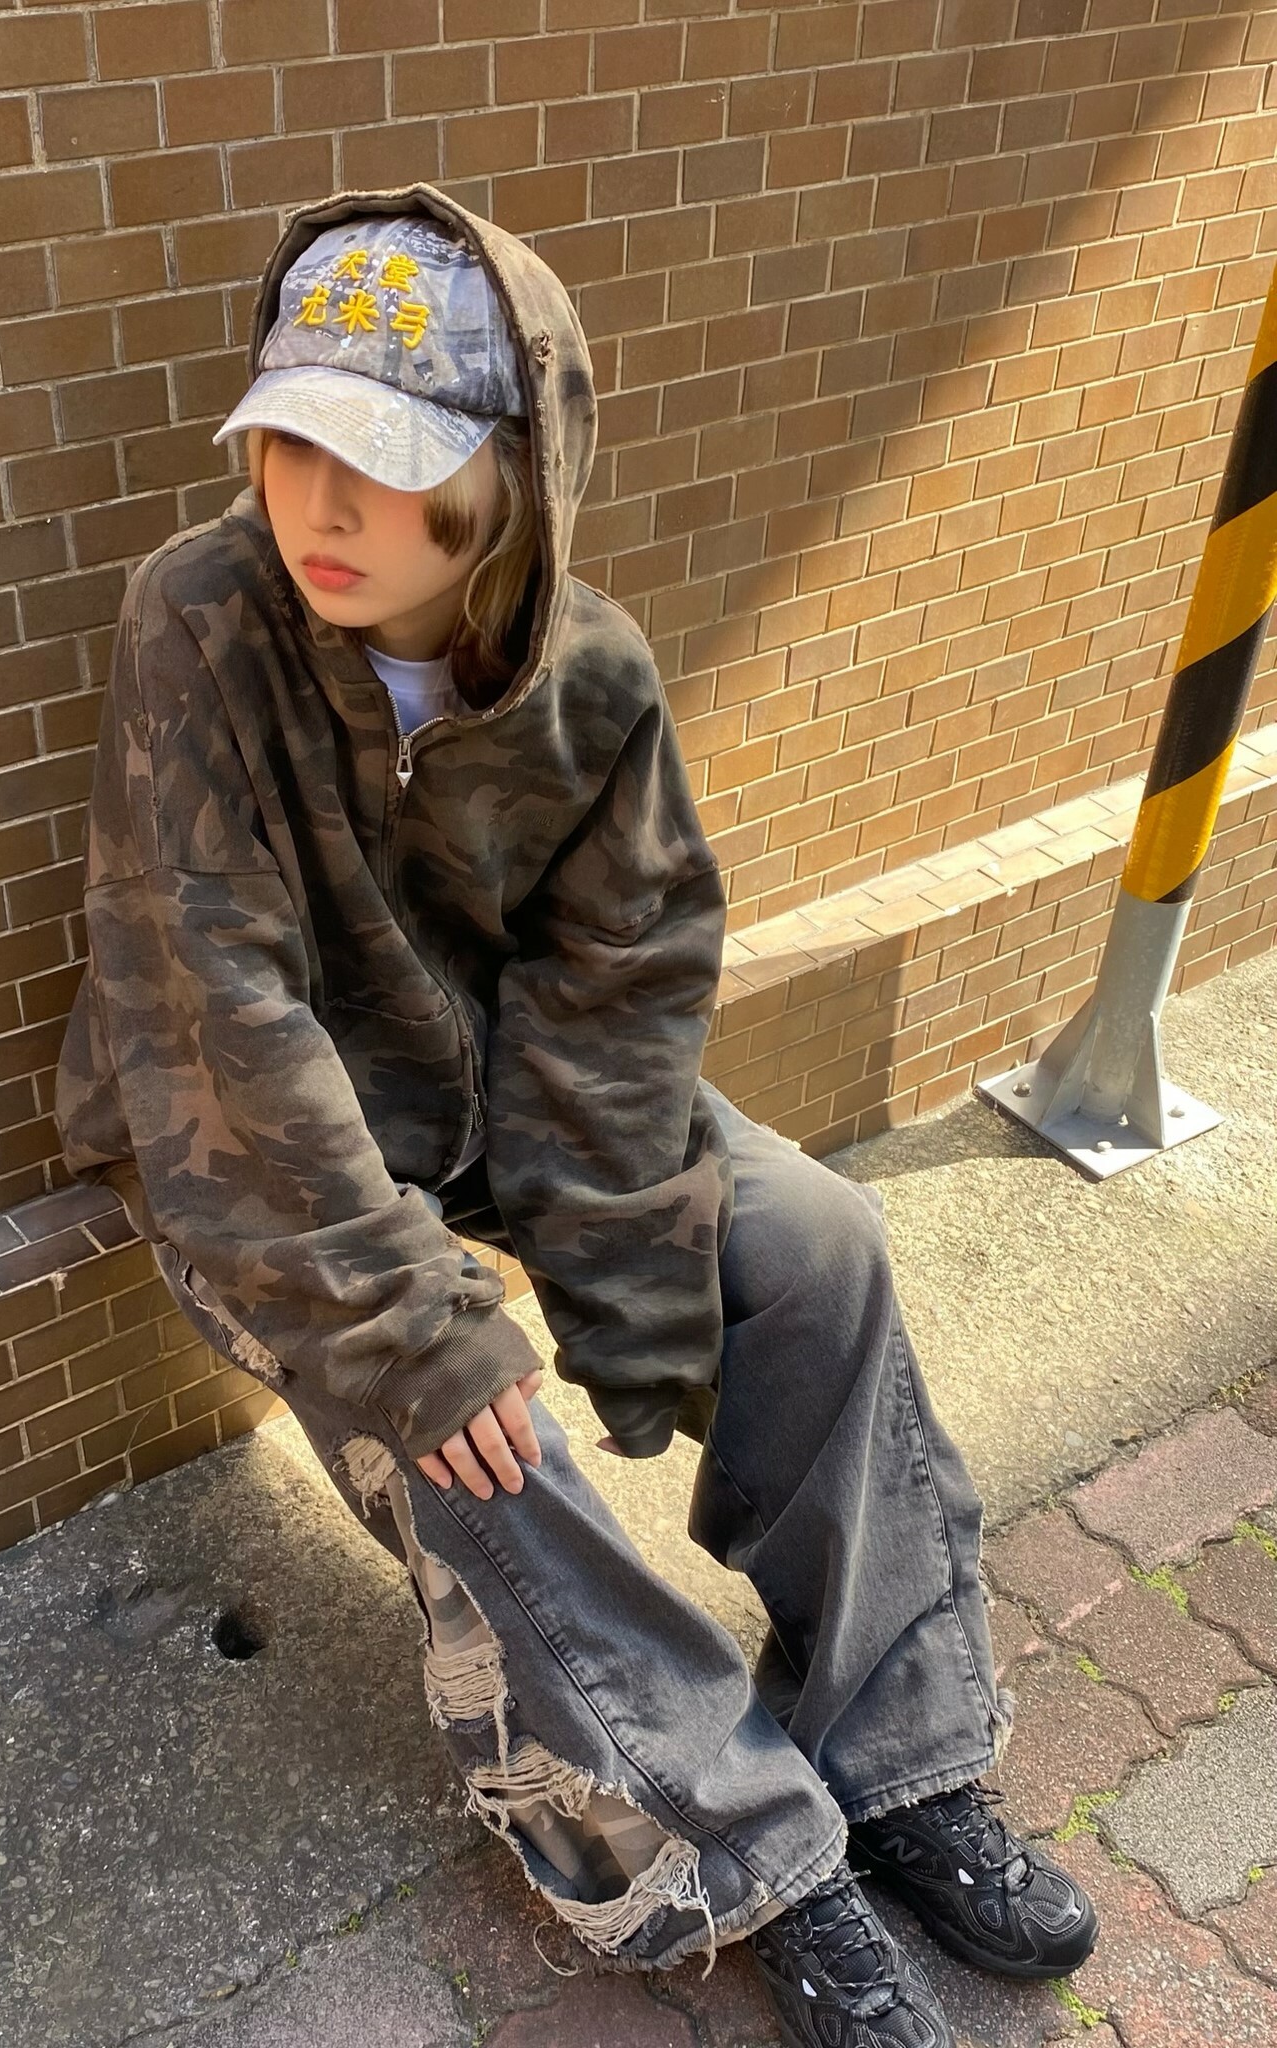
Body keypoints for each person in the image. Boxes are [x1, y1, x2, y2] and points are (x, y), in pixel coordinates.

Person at [55, 184, 1098, 2045]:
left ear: (512, 470)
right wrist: (423, 1324)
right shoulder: (198, 622)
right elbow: (216, 1002)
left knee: (817, 1246)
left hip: (504, 1096)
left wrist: (622, 1261)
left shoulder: (585, 666)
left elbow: (623, 968)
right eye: (289, 443)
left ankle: (903, 1753)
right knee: (478, 1440)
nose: (318, 505)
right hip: (265, 1160)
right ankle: (743, 1846)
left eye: (382, 463)